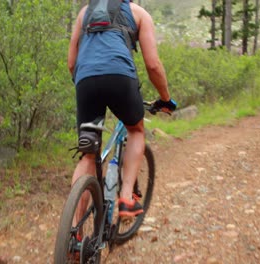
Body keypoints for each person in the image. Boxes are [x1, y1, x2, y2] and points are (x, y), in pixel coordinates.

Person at [68, 0, 176, 220]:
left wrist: (89, 86)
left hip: (85, 79)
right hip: (120, 77)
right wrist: (166, 99)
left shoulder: (84, 13)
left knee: (88, 154)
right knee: (136, 130)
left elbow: (72, 63)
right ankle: (126, 198)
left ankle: (73, 235)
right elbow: (153, 65)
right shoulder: (139, 13)